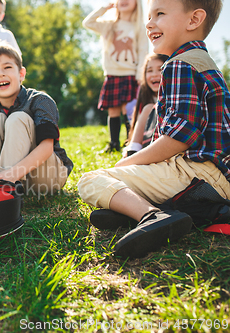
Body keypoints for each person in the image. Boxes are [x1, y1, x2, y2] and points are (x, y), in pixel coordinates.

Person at [78, 0, 229, 259]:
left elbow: (179, 138)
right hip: (216, 177)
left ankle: (152, 215)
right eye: (149, 16)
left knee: (91, 181)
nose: (149, 23)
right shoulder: (204, 62)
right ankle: (197, 210)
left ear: (194, 20)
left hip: (197, 174)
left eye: (159, 14)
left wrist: (126, 165)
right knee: (123, 191)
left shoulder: (179, 64)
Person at [0, 42, 73, 196]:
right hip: (10, 179)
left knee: (18, 118)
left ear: (21, 74)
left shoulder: (40, 100)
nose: (1, 74)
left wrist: (11, 174)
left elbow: (47, 147)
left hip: (45, 176)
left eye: (7, 67)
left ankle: (3, 187)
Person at [83, 0, 149, 152]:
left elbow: (143, 52)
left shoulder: (139, 27)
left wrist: (140, 75)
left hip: (130, 75)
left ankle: (130, 143)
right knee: (113, 110)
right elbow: (88, 23)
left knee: (128, 110)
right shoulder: (109, 25)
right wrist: (104, 9)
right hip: (112, 74)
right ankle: (114, 144)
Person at [123, 53, 169, 157]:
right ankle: (132, 151)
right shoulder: (145, 96)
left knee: (149, 108)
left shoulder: (174, 97)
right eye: (150, 71)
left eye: (160, 69)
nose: (154, 74)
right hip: (147, 144)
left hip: (164, 144)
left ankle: (132, 153)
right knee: (148, 107)